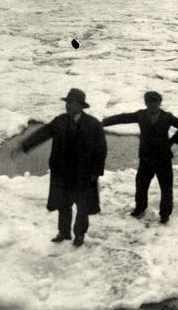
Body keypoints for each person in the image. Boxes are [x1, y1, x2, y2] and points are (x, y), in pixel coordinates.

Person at [11, 88, 107, 247]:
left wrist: (96, 171)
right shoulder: (60, 121)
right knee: (64, 204)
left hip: (83, 174)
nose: (68, 106)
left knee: (82, 207)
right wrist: (23, 146)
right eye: (67, 103)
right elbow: (42, 134)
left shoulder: (93, 124)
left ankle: (80, 235)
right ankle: (64, 232)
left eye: (72, 103)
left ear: (81, 106)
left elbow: (101, 150)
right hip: (63, 173)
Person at [102, 91, 178, 224]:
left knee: (166, 188)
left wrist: (171, 141)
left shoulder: (167, 117)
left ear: (160, 103)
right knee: (141, 185)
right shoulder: (141, 115)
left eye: (155, 102)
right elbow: (122, 118)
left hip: (163, 158)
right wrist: (103, 122)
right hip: (146, 158)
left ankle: (165, 214)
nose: (152, 105)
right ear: (146, 103)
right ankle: (140, 208)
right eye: (149, 102)